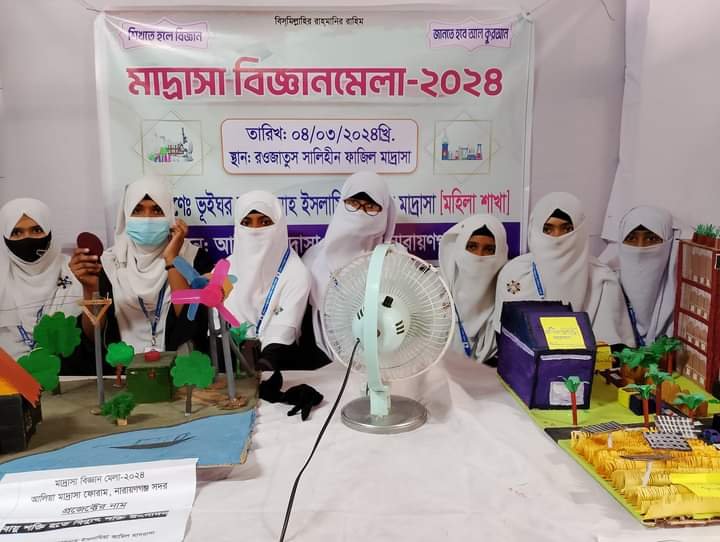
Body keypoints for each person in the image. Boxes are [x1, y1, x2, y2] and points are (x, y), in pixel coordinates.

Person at [70, 176, 213, 363]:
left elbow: (192, 325)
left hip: (179, 369)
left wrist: (172, 259)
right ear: (126, 215)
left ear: (170, 215)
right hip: (120, 371)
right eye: (137, 210)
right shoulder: (109, 263)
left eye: (157, 210)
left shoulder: (194, 259)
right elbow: (94, 336)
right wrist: (90, 289)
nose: (147, 219)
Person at [495, 192, 635, 347]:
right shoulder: (515, 273)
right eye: (547, 230)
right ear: (534, 230)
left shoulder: (602, 279)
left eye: (567, 229)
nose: (557, 237)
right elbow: (505, 337)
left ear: (580, 230)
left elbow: (613, 346)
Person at [302, 172, 398, 365]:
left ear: (385, 214)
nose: (360, 213)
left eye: (370, 207)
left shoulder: (396, 261)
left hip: (383, 364)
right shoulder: (312, 260)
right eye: (353, 203)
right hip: (320, 365)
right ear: (341, 204)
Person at [224, 191, 311, 370]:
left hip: (279, 367)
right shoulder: (223, 271)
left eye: (264, 222)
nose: (255, 230)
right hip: (230, 368)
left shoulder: (296, 273)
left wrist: (261, 371)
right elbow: (219, 334)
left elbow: (282, 334)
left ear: (279, 226)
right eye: (246, 223)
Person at [0, 198, 82, 360]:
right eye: (17, 233)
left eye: (37, 230)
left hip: (70, 370)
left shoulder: (73, 272)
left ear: (49, 231)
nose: (27, 238)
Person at [439, 214, 508, 362]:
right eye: (472, 247)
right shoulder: (435, 299)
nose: (479, 256)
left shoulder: (508, 302)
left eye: (489, 249)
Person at [617, 205, 678, 346]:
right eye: (631, 238)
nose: (640, 248)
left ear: (669, 243)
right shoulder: (608, 289)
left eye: (651, 239)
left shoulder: (682, 298)